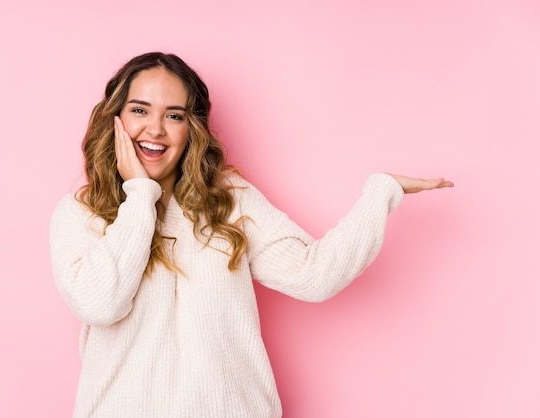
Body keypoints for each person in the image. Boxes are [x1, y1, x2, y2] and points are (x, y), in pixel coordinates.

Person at [50, 52, 453, 418]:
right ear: (115, 118)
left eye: (174, 115)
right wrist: (139, 195)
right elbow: (99, 304)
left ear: (191, 128)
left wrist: (381, 192)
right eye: (140, 110)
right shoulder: (81, 212)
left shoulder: (229, 200)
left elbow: (314, 275)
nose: (155, 129)